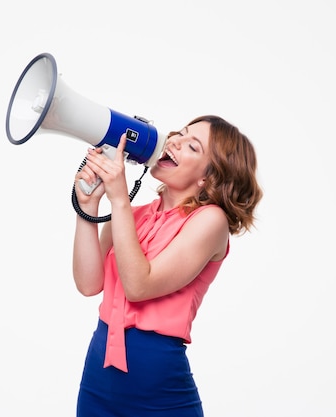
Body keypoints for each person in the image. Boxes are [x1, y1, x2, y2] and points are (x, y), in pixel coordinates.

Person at [72, 115, 263, 416]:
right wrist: (88, 208)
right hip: (98, 379)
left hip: (159, 394)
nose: (174, 141)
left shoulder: (211, 222)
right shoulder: (131, 216)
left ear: (208, 177)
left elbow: (138, 287)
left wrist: (119, 199)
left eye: (193, 146)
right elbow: (88, 284)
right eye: (180, 133)